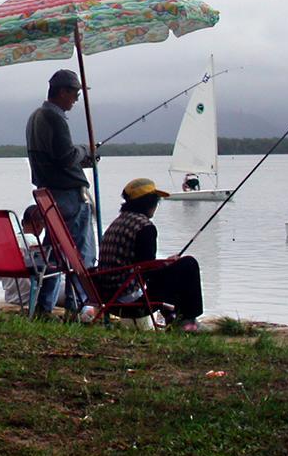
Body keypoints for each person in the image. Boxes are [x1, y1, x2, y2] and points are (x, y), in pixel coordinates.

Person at [26, 69, 98, 314]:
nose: (76, 99)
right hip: (69, 196)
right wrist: (85, 151)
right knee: (79, 255)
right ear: (62, 91)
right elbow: (67, 156)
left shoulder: (35, 116)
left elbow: (56, 159)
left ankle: (43, 307)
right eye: (75, 93)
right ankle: (76, 306)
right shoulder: (54, 118)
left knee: (55, 255)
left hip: (50, 194)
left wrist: (82, 158)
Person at [97, 178, 204, 331]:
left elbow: (142, 264)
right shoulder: (144, 227)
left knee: (176, 268)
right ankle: (188, 322)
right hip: (127, 299)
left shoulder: (117, 223)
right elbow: (148, 273)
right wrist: (169, 266)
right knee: (188, 265)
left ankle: (175, 318)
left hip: (107, 294)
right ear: (149, 203)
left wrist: (165, 264)